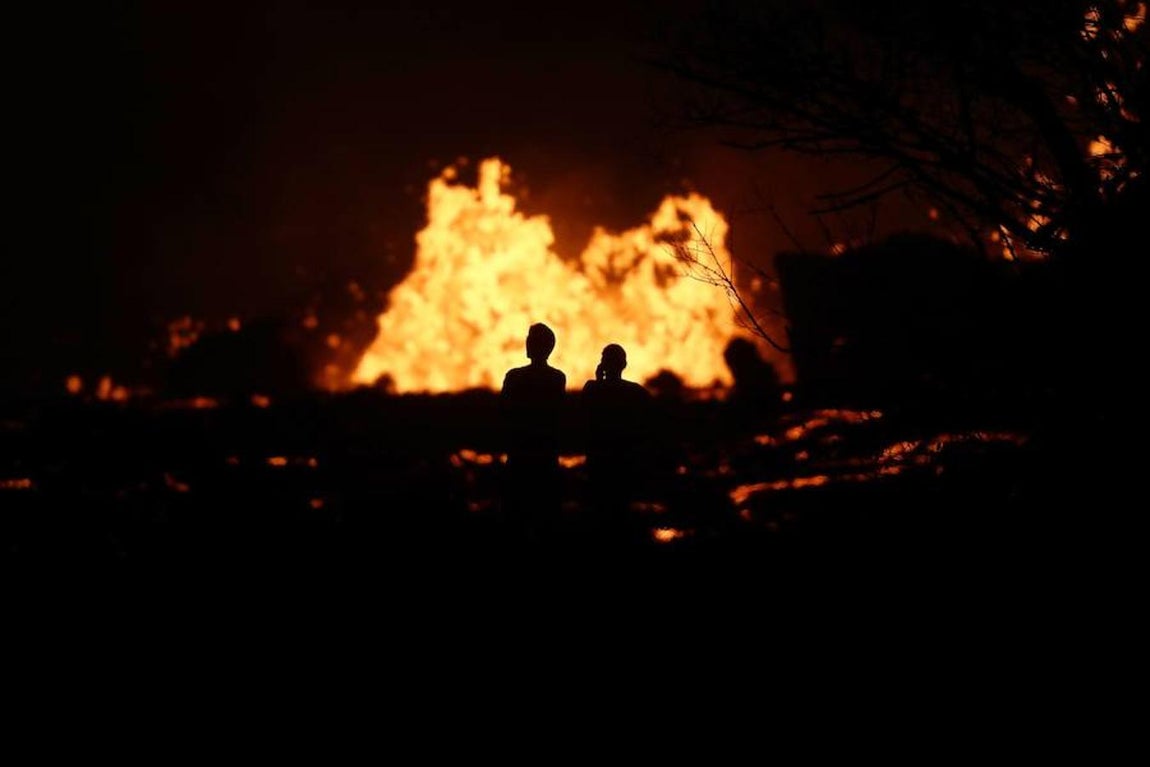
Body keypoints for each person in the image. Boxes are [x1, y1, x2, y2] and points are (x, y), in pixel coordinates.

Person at [499, 323, 567, 538]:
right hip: (545, 455)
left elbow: (503, 411)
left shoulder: (514, 376)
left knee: (516, 516)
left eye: (532, 341)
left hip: (520, 454)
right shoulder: (558, 378)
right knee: (545, 515)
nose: (527, 344)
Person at [581, 344, 653, 534]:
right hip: (624, 462)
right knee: (621, 510)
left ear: (602, 364)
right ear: (624, 364)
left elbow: (583, 415)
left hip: (599, 462)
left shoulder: (592, 388)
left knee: (599, 513)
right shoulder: (636, 392)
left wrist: (598, 381)